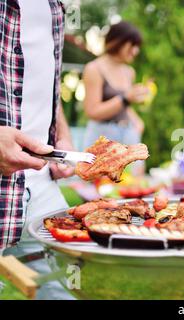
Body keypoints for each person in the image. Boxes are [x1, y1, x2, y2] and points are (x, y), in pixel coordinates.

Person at [1, 0, 76, 299]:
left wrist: (62, 140)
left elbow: (44, 84)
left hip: (40, 190)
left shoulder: (55, 6)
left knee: (69, 291)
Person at [82, 21, 148, 175]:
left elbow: (125, 107)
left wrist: (137, 121)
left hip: (127, 135)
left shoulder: (128, 71)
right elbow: (92, 111)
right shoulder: (94, 69)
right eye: (132, 45)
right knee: (101, 187)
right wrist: (125, 98)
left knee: (132, 184)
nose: (135, 51)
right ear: (118, 42)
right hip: (103, 138)